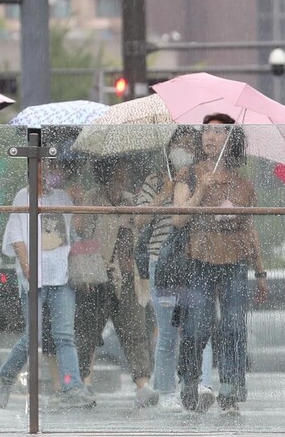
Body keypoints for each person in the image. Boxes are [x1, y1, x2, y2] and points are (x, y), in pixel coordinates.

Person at [176, 113, 268, 415]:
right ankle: (189, 381)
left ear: (231, 141)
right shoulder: (188, 174)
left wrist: (260, 270)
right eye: (206, 131)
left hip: (235, 261)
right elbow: (178, 218)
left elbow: (250, 228)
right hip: (198, 260)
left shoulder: (243, 185)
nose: (209, 137)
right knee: (195, 327)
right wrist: (201, 189)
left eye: (218, 132)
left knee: (233, 327)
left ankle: (230, 389)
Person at [0, 160, 95, 409]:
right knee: (32, 336)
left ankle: (72, 385)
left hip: (62, 276)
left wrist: (78, 203)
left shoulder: (62, 197)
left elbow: (76, 229)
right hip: (34, 277)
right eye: (46, 168)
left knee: (64, 335)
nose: (52, 173)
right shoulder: (22, 196)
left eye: (56, 168)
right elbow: (16, 237)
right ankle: (4, 377)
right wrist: (27, 269)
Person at [139, 127, 215, 410]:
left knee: (198, 328)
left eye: (187, 145)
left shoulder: (200, 177)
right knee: (168, 331)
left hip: (196, 262)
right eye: (177, 145)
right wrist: (165, 193)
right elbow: (138, 221)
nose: (181, 150)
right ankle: (167, 390)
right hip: (162, 260)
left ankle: (201, 384)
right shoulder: (155, 180)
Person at [73, 157, 157, 408]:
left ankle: (142, 385)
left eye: (126, 174)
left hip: (127, 275)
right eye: (119, 173)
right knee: (88, 332)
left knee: (135, 331)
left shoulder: (131, 201)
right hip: (97, 274)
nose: (123, 178)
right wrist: (80, 204)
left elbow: (140, 229)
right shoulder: (92, 197)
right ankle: (83, 382)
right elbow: (79, 230)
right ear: (106, 174)